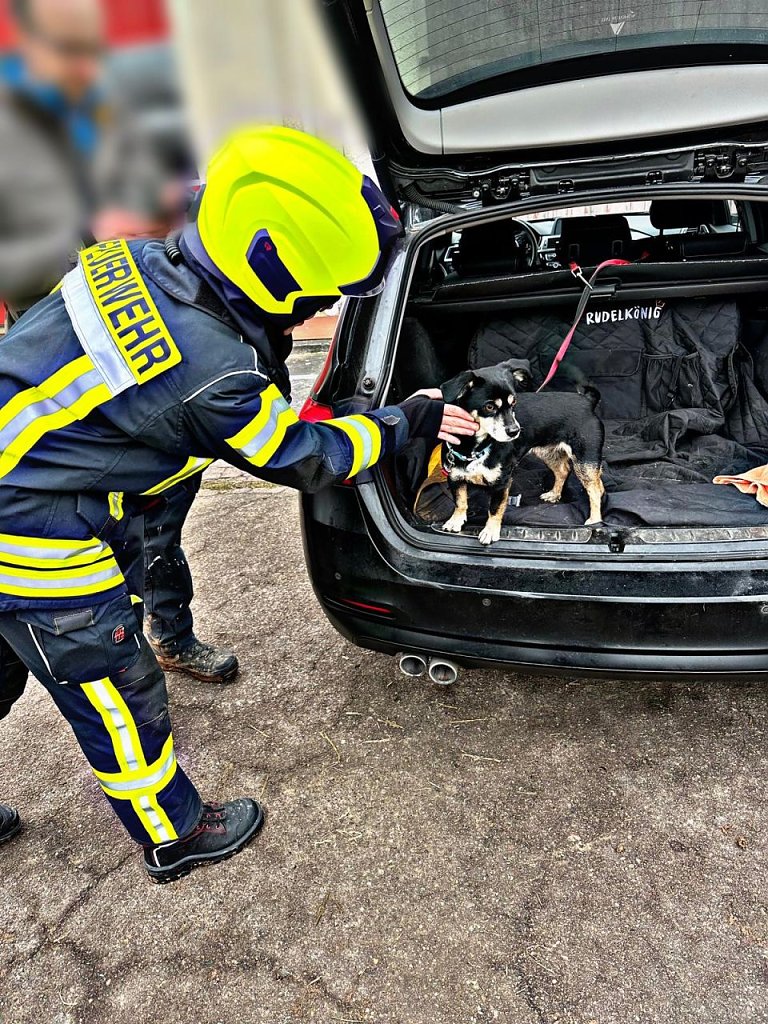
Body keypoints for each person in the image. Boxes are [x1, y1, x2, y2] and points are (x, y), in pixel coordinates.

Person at [0, 125, 477, 881]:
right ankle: (175, 835)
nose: (319, 306)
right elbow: (306, 456)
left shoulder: (131, 260)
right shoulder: (216, 374)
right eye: (322, 294)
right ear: (278, 276)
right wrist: (405, 421)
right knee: (114, 688)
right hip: (30, 528)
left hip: (30, 477)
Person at [0, 0, 237, 684]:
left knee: (160, 524)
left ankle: (167, 636)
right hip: (84, 415)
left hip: (153, 387)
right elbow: (43, 318)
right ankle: (128, 647)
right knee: (116, 537)